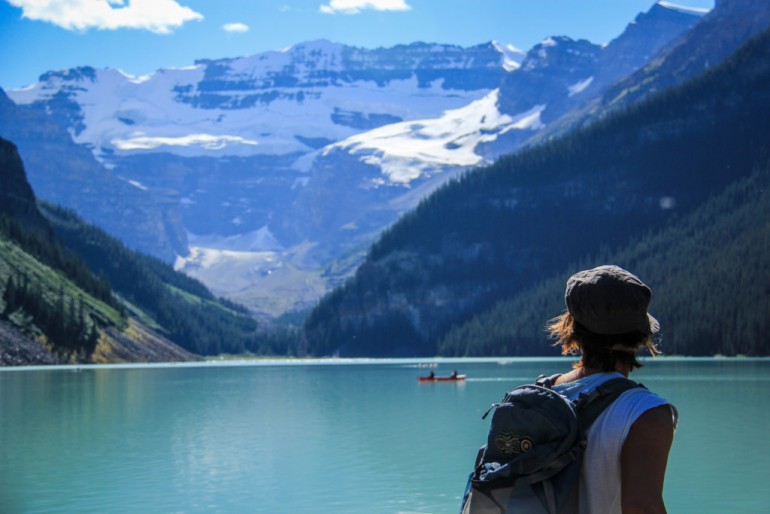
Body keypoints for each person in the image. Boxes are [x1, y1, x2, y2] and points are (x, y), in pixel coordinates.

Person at [545, 265, 677, 514]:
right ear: (640, 335)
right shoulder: (645, 413)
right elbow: (641, 507)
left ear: (571, 327)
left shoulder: (542, 394)